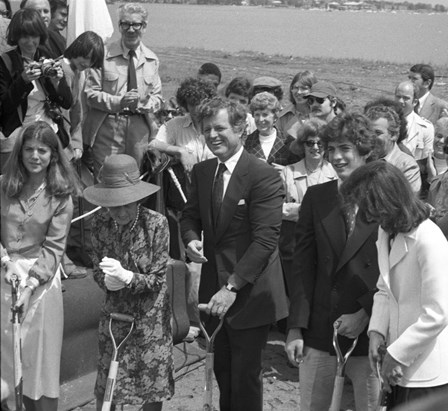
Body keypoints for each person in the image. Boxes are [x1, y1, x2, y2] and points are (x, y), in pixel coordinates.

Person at [180, 97, 288, 411]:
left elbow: (265, 240)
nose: (212, 135)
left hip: (250, 292)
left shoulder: (262, 174)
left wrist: (232, 288)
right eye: (206, 129)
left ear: (240, 128)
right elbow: (190, 216)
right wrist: (190, 239)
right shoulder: (202, 172)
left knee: (245, 378)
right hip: (214, 290)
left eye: (220, 128)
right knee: (223, 371)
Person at [285, 112, 380, 411]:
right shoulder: (317, 198)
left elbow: (396, 271)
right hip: (321, 331)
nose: (336, 157)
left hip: (372, 332)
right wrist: (296, 327)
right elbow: (302, 268)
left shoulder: (386, 198)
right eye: (331, 149)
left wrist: (366, 313)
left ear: (364, 150)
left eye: (345, 149)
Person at [340, 160, 448, 409]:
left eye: (369, 208)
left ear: (388, 201)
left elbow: (438, 313)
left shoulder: (429, 240)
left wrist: (398, 354)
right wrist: (377, 332)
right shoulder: (386, 231)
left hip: (427, 372)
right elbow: (384, 289)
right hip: (397, 366)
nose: (367, 216)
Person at [1, 121, 81, 411]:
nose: (35, 156)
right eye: (29, 149)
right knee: (7, 353)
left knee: (39, 356)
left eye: (43, 150)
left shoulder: (61, 195)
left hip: (40, 281)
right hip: (4, 273)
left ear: (53, 155)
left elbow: (55, 247)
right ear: (20, 153)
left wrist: (30, 285)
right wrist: (5, 261)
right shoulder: (3, 185)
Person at [83, 154, 174, 411]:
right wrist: (107, 280)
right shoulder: (100, 223)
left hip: (149, 319)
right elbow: (96, 267)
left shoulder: (156, 224)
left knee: (150, 385)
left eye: (127, 204)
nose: (120, 212)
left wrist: (129, 278)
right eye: (114, 205)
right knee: (108, 383)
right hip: (114, 316)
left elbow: (157, 279)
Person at [149, 77, 216, 341]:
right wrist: (179, 151)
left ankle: (211, 317)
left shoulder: (215, 125)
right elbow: (153, 144)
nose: (196, 109)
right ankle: (191, 320)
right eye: (191, 104)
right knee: (190, 264)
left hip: (215, 203)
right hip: (185, 205)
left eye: (200, 103)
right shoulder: (175, 125)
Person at [84, 2, 163, 176]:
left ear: (144, 26)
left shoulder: (152, 60)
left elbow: (158, 98)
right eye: (125, 24)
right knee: (107, 179)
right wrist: (119, 102)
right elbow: (90, 94)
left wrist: (144, 103)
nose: (131, 29)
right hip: (109, 127)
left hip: (139, 129)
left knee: (135, 181)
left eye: (136, 25)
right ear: (119, 26)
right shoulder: (103, 55)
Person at [0, 8, 72, 160]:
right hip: (18, 135)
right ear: (16, 37)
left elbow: (67, 103)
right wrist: (23, 81)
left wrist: (57, 82)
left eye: (34, 35)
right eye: (24, 36)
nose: (30, 42)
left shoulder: (47, 57)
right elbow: (4, 107)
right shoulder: (6, 62)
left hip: (49, 132)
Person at [279, 118, 337, 302]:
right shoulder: (287, 172)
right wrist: (312, 210)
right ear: (301, 145)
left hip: (325, 244)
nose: (315, 147)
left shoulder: (335, 173)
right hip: (294, 244)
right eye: (310, 142)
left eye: (320, 143)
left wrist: (297, 210)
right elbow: (277, 208)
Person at [365, 104, 421, 193]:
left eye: (378, 133)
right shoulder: (360, 159)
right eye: (368, 132)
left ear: (394, 135)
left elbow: (407, 203)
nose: (371, 137)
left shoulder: (407, 166)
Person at [244, 91, 298, 169]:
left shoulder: (288, 142)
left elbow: (297, 171)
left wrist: (286, 171)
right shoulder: (246, 142)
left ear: (275, 117)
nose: (261, 119)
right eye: (257, 115)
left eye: (265, 115)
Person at [394, 81, 434, 162]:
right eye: (398, 97)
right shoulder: (384, 122)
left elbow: (426, 161)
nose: (400, 101)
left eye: (406, 98)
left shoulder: (425, 128)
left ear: (415, 102)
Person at [276, 70, 317, 138]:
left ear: (313, 90)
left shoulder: (321, 114)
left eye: (304, 88)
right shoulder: (282, 116)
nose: (299, 92)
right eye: (296, 87)